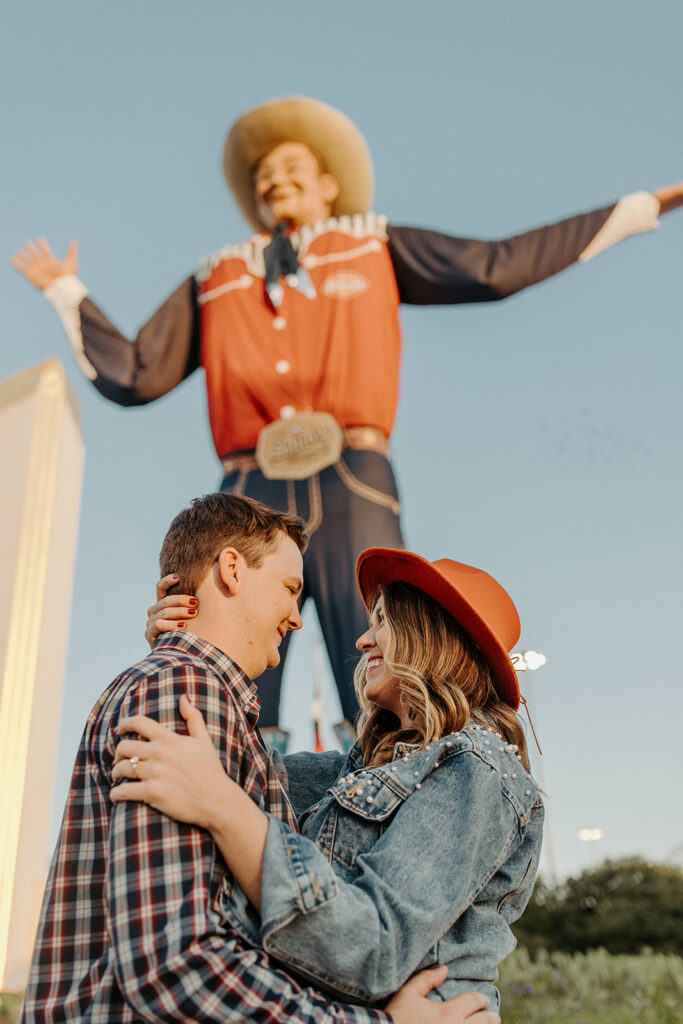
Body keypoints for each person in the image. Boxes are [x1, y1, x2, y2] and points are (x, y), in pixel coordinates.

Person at [12, 96, 682, 742]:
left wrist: (639, 208)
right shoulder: (216, 276)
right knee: (230, 663)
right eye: (262, 173)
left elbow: (493, 266)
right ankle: (232, 808)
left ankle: (382, 795)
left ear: (328, 185)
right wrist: (66, 290)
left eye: (291, 167)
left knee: (378, 652)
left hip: (351, 473)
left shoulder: (372, 243)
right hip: (249, 486)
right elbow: (136, 373)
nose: (274, 178)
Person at [18, 493, 499, 1024]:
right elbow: (176, 964)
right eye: (291, 589)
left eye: (380, 622)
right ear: (231, 569)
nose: (297, 617)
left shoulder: (203, 702)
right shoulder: (183, 692)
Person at [110, 544, 543, 1014]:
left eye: (382, 622)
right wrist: (190, 647)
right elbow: (230, 758)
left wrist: (223, 807)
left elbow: (374, 947)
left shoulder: (477, 769)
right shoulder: (353, 773)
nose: (363, 641)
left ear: (431, 634)